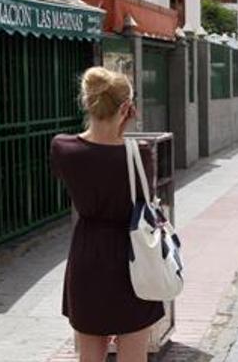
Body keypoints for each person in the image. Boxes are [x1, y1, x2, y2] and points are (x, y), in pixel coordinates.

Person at [50, 67, 163, 362]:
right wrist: (121, 132)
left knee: (89, 357)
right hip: (133, 259)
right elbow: (143, 200)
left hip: (87, 258)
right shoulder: (141, 153)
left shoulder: (63, 147)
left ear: (88, 103)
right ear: (126, 108)